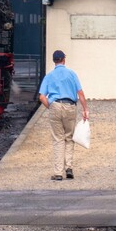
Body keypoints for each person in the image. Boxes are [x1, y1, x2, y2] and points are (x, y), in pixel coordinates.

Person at [38, 49, 89, 181]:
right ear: (64, 60)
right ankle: (69, 168)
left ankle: (58, 173)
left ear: (54, 61)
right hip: (70, 106)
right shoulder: (72, 74)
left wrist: (51, 106)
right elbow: (81, 93)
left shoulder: (49, 76)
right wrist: (85, 109)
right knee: (69, 137)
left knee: (58, 139)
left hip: (55, 105)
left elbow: (42, 96)